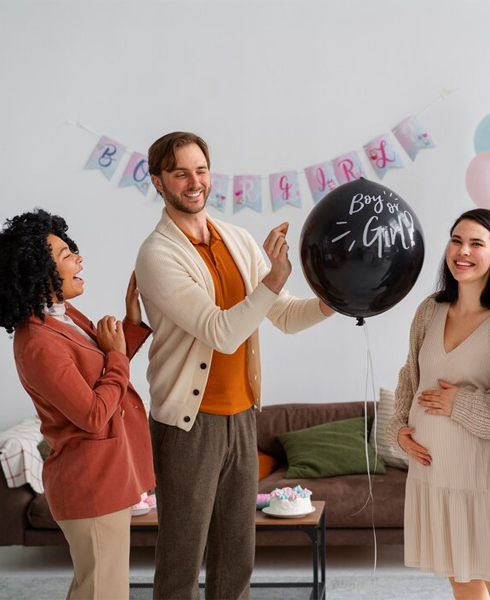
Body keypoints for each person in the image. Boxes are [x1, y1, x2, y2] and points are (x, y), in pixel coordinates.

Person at [134, 131, 334, 599]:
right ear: (158, 182)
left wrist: (333, 299)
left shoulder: (237, 239)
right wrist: (273, 279)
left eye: (200, 170)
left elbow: (281, 314)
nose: (194, 181)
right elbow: (221, 333)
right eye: (180, 172)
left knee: (236, 560)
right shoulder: (157, 255)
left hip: (242, 416)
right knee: (182, 560)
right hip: (187, 425)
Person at [0, 209, 155, 600]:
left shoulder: (62, 316)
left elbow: (96, 367)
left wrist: (130, 326)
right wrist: (118, 356)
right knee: (103, 593)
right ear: (40, 272)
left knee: (94, 589)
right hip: (90, 483)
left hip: (103, 477)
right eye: (65, 254)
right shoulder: (38, 342)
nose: (79, 258)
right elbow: (92, 414)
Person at [387, 208, 490, 600]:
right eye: (456, 240)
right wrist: (399, 429)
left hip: (488, 478)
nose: (462, 251)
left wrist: (462, 405)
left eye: (475, 243)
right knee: (462, 581)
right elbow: (409, 377)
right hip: (434, 475)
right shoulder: (429, 310)